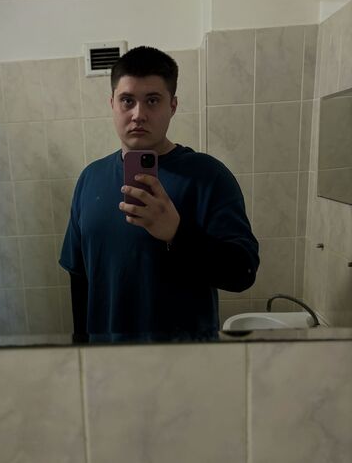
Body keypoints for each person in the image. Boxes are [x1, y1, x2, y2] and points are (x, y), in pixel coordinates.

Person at [60, 46, 259, 343]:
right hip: (107, 359)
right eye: (127, 100)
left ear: (173, 105)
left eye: (152, 100)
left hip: (185, 362)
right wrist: (81, 349)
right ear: (112, 103)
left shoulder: (208, 176)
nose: (138, 114)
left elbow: (243, 273)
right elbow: (79, 277)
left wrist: (177, 233)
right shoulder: (90, 179)